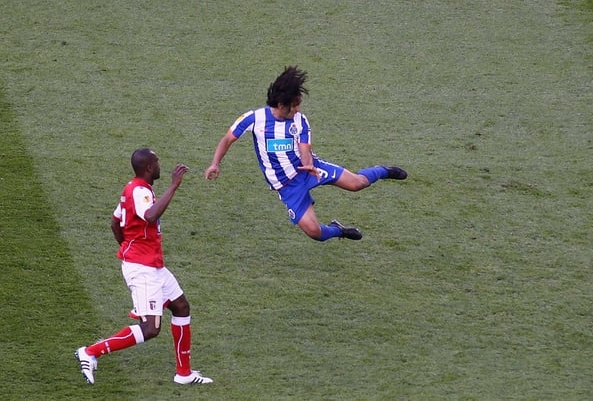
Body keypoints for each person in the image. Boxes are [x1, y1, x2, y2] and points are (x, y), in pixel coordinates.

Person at [204, 66, 407, 241]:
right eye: (295, 105)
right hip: (287, 186)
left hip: (309, 170)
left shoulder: (300, 120)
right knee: (314, 232)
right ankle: (338, 230)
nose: (299, 109)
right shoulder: (254, 119)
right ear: (282, 105)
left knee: (358, 184)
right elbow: (227, 139)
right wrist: (215, 163)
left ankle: (383, 171)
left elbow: (304, 148)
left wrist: (308, 164)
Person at [75, 148, 213, 385]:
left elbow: (115, 222)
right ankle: (90, 352)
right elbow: (150, 216)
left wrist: (127, 245)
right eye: (157, 162)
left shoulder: (133, 189)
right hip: (143, 268)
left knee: (181, 307)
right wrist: (174, 186)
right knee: (150, 328)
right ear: (149, 167)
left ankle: (184, 374)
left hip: (153, 265)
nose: (160, 164)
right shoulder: (139, 191)